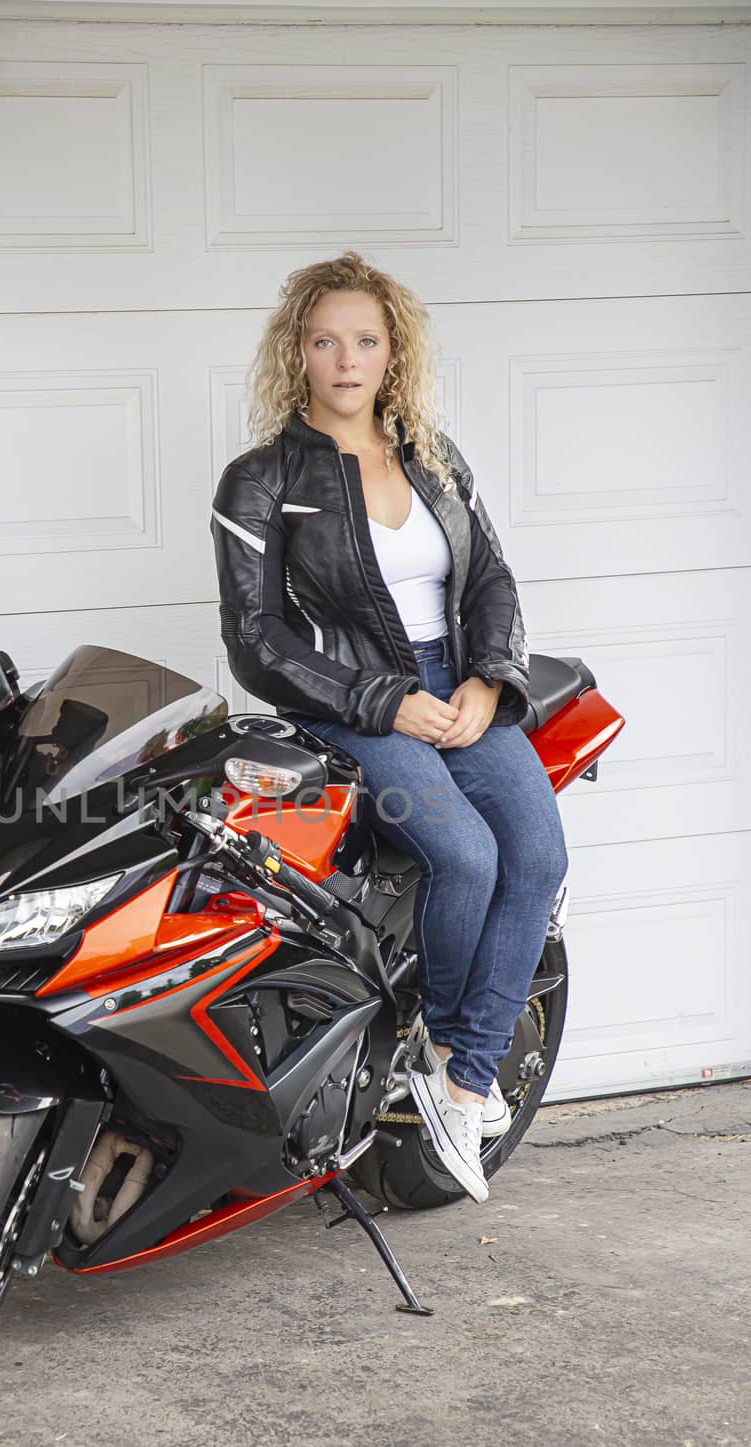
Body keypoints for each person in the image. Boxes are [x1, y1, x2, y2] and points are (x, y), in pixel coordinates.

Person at [209, 250, 569, 1205]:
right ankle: (462, 1060)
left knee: (537, 860)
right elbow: (256, 641)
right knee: (465, 857)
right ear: (296, 352)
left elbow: (489, 580)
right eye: (324, 339)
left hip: (459, 692)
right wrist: (379, 702)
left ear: (391, 352)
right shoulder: (258, 481)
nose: (345, 358)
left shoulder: (434, 458)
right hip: (350, 706)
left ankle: (458, 1081)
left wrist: (490, 685)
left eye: (365, 339)